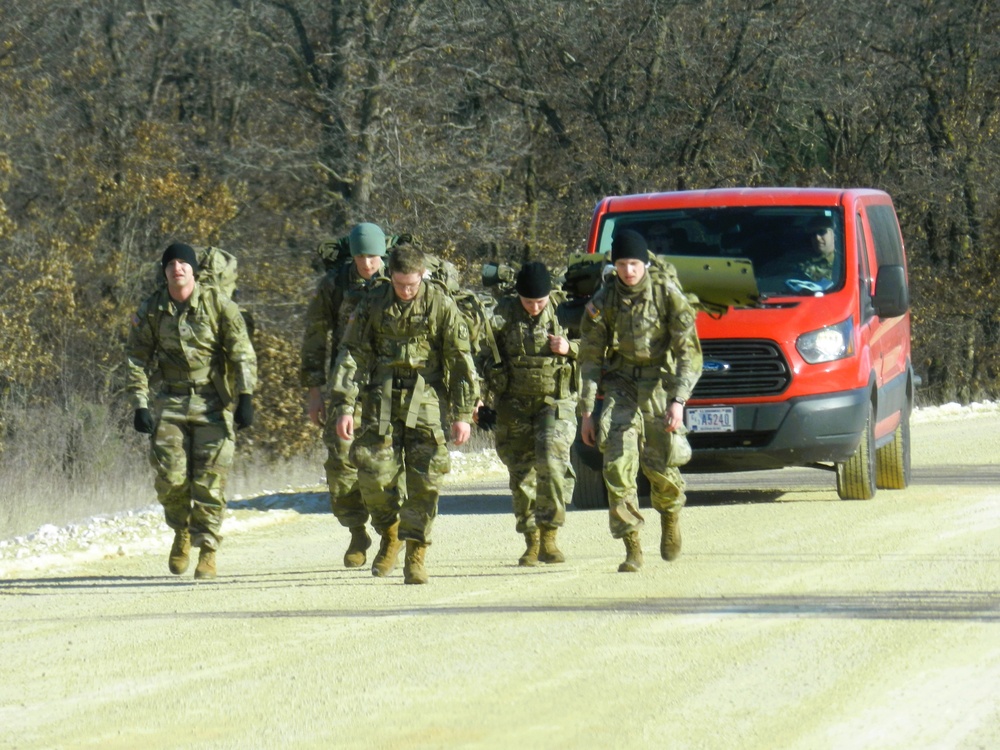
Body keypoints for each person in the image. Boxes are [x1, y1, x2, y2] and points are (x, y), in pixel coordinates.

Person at [330, 245, 479, 584]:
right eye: (400, 284)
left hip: (426, 398)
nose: (407, 291)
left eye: (412, 284)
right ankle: (391, 532)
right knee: (372, 475)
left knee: (426, 479)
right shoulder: (374, 302)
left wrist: (462, 413)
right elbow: (353, 355)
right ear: (391, 276)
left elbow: (460, 359)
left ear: (421, 276)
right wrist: (344, 406)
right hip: (380, 397)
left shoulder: (439, 303)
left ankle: (416, 553)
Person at [127, 242, 257, 579]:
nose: (177, 268)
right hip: (170, 401)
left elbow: (242, 351)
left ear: (194, 270)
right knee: (170, 478)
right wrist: (140, 404)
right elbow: (136, 359)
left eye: (184, 262)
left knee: (210, 479)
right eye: (171, 263)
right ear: (164, 271)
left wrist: (245, 396)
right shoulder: (153, 309)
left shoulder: (217, 303)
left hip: (213, 400)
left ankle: (208, 549)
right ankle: (181, 532)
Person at [579, 229, 702, 573]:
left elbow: (689, 354)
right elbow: (589, 360)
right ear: (614, 265)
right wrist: (587, 411)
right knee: (617, 466)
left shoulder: (667, 296)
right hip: (621, 388)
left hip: (660, 387)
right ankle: (632, 545)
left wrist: (678, 400)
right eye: (621, 263)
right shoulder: (603, 303)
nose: (628, 270)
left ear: (644, 263)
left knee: (659, 467)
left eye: (634, 263)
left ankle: (670, 514)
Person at [300, 222, 390, 569]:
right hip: (344, 383)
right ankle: (356, 530)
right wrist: (314, 392)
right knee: (340, 462)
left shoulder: (400, 280)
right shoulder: (335, 285)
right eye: (360, 256)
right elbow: (315, 336)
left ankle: (389, 532)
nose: (367, 263)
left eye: (372, 255)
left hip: (387, 384)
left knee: (381, 465)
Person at [478, 261, 577, 566]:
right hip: (514, 403)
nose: (534, 308)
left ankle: (550, 536)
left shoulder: (565, 310)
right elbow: (478, 356)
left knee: (551, 459)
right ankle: (531, 539)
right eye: (528, 301)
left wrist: (571, 347)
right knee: (521, 472)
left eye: (540, 301)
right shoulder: (502, 314)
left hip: (555, 401)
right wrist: (477, 402)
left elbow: (601, 344)